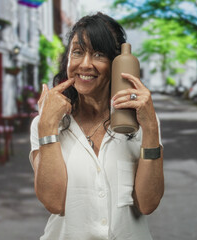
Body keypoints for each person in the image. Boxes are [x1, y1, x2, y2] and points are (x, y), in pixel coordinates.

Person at [29, 12, 164, 240]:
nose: (85, 64)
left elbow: (148, 203)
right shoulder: (46, 124)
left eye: (99, 54)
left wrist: (150, 128)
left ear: (116, 63)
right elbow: (53, 202)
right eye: (78, 52)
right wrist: (47, 126)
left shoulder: (142, 121)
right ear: (67, 60)